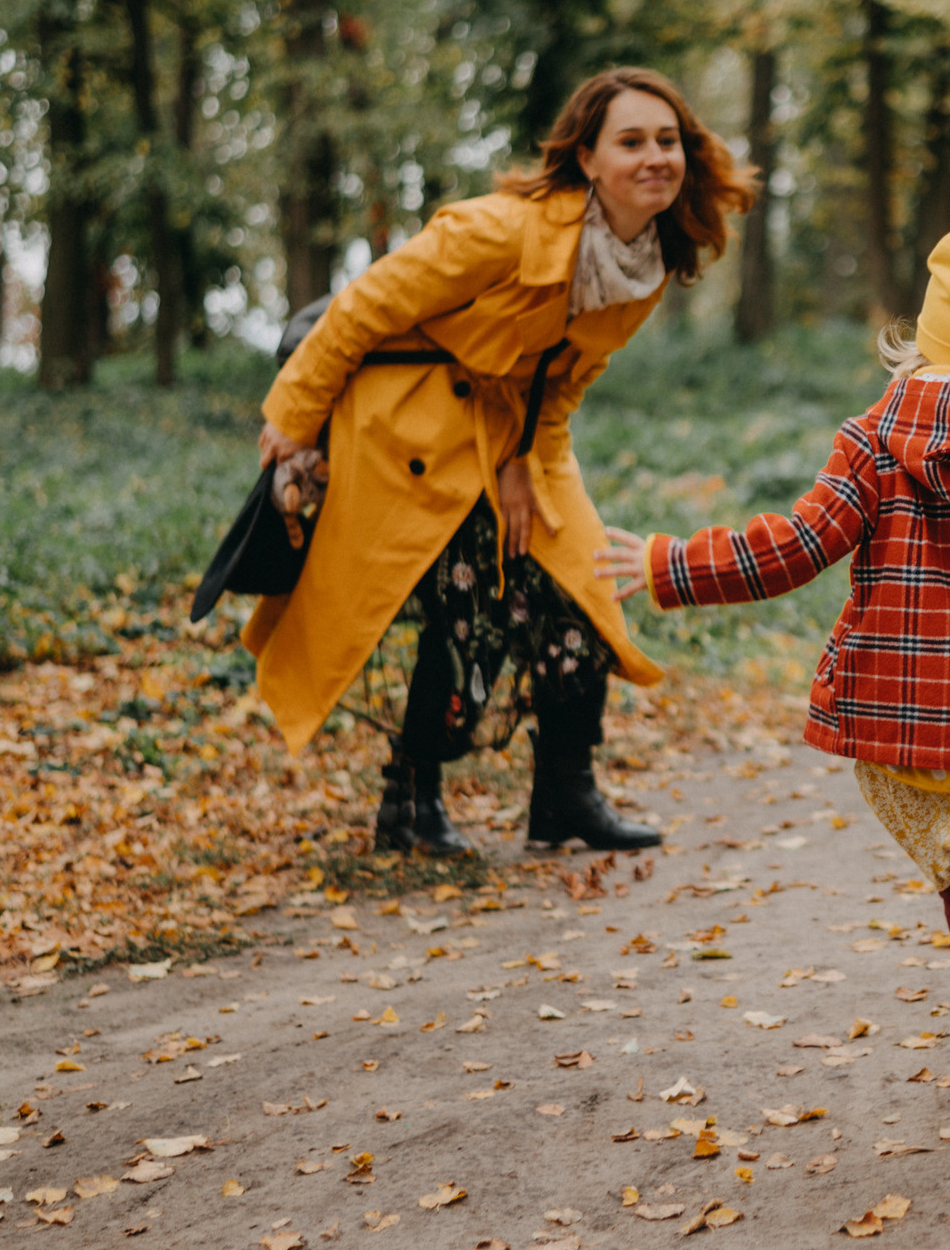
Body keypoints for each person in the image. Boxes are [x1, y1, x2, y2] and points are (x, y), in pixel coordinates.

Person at [596, 231, 950, 1104]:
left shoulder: (876, 439)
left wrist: (673, 564)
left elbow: (797, 544)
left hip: (908, 716)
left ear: (926, 332)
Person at [245, 67, 755, 856]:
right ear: (586, 158)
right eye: (631, 141)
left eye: (668, 140)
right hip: (413, 430)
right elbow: (364, 304)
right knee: (471, 605)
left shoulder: (645, 258)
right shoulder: (500, 229)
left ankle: (564, 795)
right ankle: (410, 800)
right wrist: (295, 414)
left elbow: (561, 380)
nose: (656, 157)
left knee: (584, 591)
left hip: (514, 437)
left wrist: (523, 461)